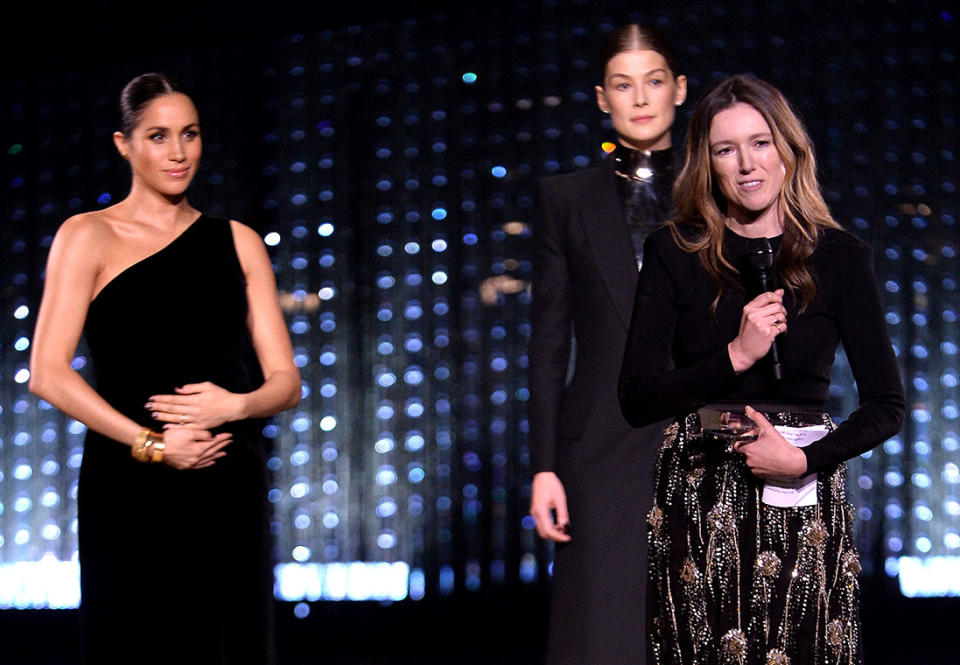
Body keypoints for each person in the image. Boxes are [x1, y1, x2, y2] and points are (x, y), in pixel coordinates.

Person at [618, 74, 905, 665]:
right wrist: (736, 356)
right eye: (726, 149)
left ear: (788, 150)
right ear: (707, 163)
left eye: (761, 143)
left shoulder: (841, 256)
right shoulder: (676, 252)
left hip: (803, 490)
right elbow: (637, 398)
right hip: (699, 495)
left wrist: (804, 459)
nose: (747, 164)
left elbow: (887, 405)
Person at [29, 73, 300, 664]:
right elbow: (48, 372)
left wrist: (237, 405)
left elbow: (286, 381)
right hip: (131, 484)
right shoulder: (88, 235)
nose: (178, 152)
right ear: (124, 145)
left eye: (190, 134)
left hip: (227, 480)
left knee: (231, 642)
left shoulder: (238, 241)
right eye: (158, 136)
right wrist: (152, 445)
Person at [528, 24, 687, 664]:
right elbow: (547, 339)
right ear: (602, 98)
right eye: (624, 85)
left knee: (699, 626)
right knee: (602, 634)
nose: (640, 99)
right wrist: (543, 465)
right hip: (597, 445)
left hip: (703, 434)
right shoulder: (565, 198)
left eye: (654, 82)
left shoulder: (719, 186)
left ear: (679, 90)